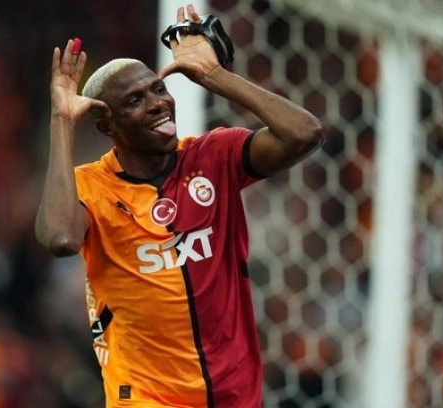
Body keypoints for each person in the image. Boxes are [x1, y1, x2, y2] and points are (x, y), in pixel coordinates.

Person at [35, 4, 324, 407]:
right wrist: (62, 123)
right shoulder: (91, 187)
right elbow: (60, 238)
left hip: (235, 393)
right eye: (134, 101)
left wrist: (215, 76)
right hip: (146, 396)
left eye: (158, 89)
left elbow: (305, 134)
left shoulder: (214, 156)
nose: (157, 103)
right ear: (106, 125)